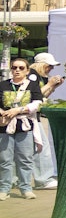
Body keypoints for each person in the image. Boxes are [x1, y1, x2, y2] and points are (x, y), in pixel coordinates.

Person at [0, 58, 44, 201]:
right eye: (14, 67)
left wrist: (19, 110)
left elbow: (38, 103)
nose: (17, 70)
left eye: (20, 68)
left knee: (25, 159)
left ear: (27, 70)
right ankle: (4, 188)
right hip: (5, 126)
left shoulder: (33, 85)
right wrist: (3, 112)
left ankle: (26, 188)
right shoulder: (3, 85)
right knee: (5, 159)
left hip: (25, 125)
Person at [30, 52, 64, 190]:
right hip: (30, 116)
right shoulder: (32, 76)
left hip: (33, 116)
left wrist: (52, 87)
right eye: (49, 66)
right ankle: (43, 179)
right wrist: (50, 84)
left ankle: (16, 179)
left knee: (25, 149)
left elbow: (42, 95)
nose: (51, 69)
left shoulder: (38, 77)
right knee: (41, 147)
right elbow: (35, 96)